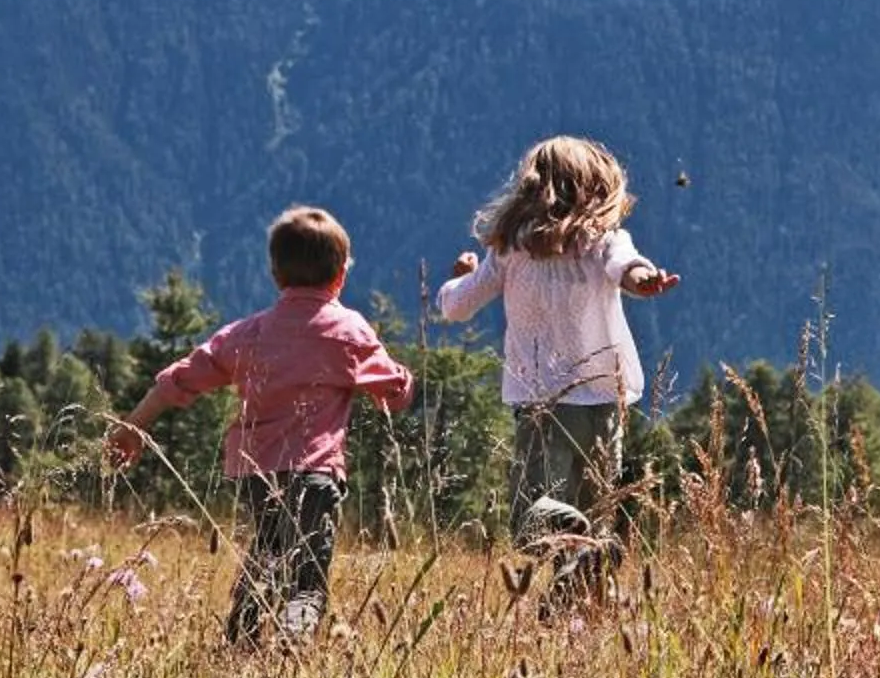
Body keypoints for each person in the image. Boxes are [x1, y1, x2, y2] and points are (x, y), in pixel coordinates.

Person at [107, 205, 414, 646]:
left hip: (256, 473)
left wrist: (134, 425)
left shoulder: (247, 334)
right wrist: (402, 381)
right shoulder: (350, 331)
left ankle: (241, 638)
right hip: (316, 472)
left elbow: (182, 377)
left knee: (267, 554)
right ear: (341, 277)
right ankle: (292, 644)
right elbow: (396, 394)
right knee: (306, 575)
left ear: (275, 274)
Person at [435, 136, 679, 605]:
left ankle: (557, 528)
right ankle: (571, 605)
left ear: (529, 188)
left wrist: (457, 276)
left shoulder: (512, 247)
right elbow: (627, 267)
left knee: (531, 518)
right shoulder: (604, 241)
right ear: (598, 187)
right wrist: (644, 280)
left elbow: (458, 306)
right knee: (595, 518)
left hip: (541, 401)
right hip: (605, 401)